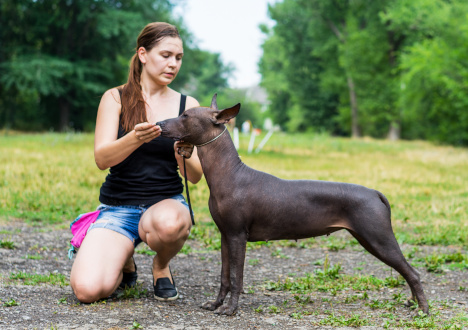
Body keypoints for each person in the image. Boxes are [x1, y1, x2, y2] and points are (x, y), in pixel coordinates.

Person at [70, 22, 203, 303]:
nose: (173, 64)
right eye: (165, 55)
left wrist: (183, 153)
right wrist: (134, 138)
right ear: (143, 54)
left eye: (178, 58)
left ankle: (161, 265)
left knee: (169, 224)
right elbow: (102, 159)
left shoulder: (187, 105)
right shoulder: (115, 98)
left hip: (164, 205)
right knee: (87, 290)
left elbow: (195, 177)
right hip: (117, 209)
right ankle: (126, 260)